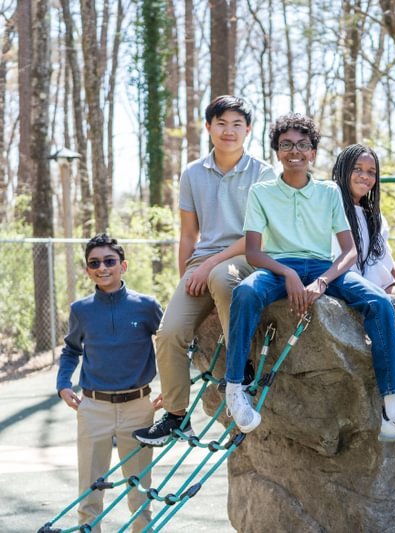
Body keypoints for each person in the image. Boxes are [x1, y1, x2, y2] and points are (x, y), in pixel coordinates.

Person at [224, 113, 395, 442]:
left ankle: (394, 409)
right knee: (245, 293)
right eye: (286, 145)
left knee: (379, 302)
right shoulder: (261, 193)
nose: (294, 151)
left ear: (312, 152)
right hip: (279, 267)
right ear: (276, 151)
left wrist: (323, 281)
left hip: (325, 268)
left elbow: (348, 252)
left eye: (302, 145)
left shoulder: (328, 193)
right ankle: (236, 390)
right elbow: (253, 252)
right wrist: (287, 274)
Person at [134, 95, 276, 446]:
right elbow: (188, 235)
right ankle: (177, 417)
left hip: (248, 255)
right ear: (209, 127)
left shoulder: (264, 173)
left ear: (248, 130)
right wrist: (186, 277)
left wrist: (209, 265)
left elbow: (256, 236)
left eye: (237, 124)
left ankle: (239, 371)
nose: (229, 131)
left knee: (219, 276)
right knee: (168, 334)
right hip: (204, 262)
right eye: (222, 123)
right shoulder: (193, 173)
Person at [57, 234, 163, 531]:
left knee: (139, 490)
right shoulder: (81, 309)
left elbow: (169, 345)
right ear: (88, 270)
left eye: (109, 261)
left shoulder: (147, 306)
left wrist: (172, 389)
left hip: (139, 408)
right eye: (94, 263)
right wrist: (64, 384)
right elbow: (70, 350)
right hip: (93, 409)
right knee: (90, 491)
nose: (102, 267)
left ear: (123, 265)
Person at [330, 143, 395, 295]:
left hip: (372, 286)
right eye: (357, 169)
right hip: (339, 282)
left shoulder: (376, 219)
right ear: (343, 170)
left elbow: (379, 266)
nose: (365, 176)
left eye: (371, 172)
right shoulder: (329, 198)